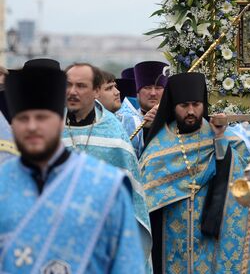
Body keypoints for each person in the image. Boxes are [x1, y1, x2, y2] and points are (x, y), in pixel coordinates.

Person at [0, 65, 145, 273]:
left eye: (42, 117)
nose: (32, 126)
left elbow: (126, 264)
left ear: (60, 122)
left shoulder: (107, 186)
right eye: (23, 119)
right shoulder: (2, 182)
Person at [140, 72, 250, 273]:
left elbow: (248, 183)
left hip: (212, 239)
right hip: (172, 239)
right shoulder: (160, 145)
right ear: (173, 106)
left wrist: (220, 140)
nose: (191, 111)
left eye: (196, 104)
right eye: (184, 105)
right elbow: (146, 197)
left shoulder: (224, 136)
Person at [61, 62, 152, 261]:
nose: (73, 92)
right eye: (68, 85)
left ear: (94, 91)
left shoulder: (113, 132)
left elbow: (131, 194)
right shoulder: (52, 130)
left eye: (81, 86)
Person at [117, 61, 167, 158]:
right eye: (147, 87)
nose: (153, 93)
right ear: (138, 92)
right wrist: (145, 129)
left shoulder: (174, 118)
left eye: (158, 88)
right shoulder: (124, 120)